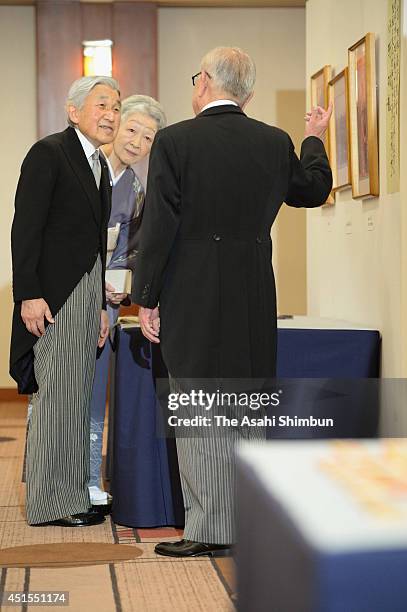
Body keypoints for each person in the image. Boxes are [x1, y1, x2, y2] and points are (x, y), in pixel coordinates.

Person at [132, 46, 333, 557]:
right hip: (251, 288)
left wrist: (146, 297)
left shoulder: (175, 141)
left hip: (190, 289)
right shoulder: (273, 141)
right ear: (249, 93)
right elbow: (311, 190)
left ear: (204, 84)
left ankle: (209, 529)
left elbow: (159, 227)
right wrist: (314, 139)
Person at [10, 76, 121, 527]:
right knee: (56, 399)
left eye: (116, 106)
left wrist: (98, 304)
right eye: (102, 105)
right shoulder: (49, 153)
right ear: (73, 111)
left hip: (84, 295)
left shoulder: (98, 165)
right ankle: (50, 504)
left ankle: (73, 492)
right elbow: (26, 229)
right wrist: (29, 295)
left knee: (76, 399)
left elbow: (95, 245)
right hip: (52, 298)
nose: (111, 114)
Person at [88, 95, 166, 512]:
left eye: (148, 136)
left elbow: (130, 252)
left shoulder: (135, 187)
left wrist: (124, 287)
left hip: (108, 300)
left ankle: (87, 479)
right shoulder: (87, 169)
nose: (137, 141)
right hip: (75, 294)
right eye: (132, 128)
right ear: (116, 124)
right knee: (66, 390)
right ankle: (61, 478)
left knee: (96, 390)